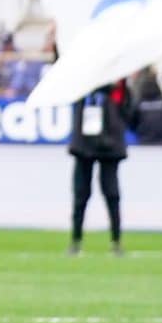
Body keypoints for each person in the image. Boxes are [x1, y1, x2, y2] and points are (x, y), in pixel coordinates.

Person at [68, 78, 130, 256]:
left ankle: (115, 240)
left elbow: (126, 107)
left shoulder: (117, 82)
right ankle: (76, 240)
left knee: (111, 195)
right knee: (81, 195)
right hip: (86, 144)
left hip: (107, 144)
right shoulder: (82, 80)